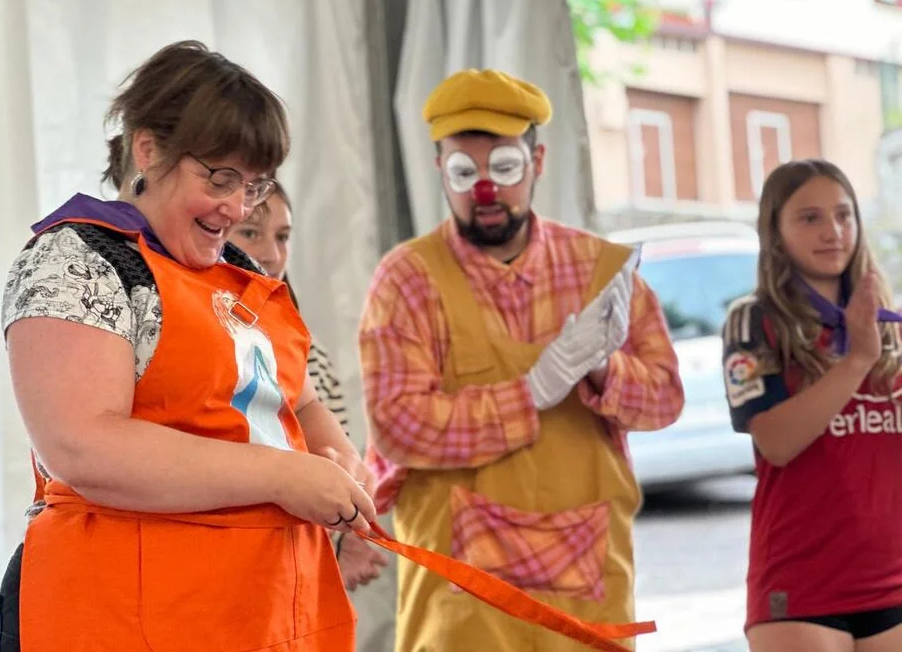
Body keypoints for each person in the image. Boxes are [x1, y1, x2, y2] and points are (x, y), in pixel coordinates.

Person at [0, 40, 376, 652]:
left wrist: (340, 460)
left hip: (262, 609)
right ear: (149, 149)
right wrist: (283, 474)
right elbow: (83, 445)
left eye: (254, 186)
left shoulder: (241, 269)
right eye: (220, 179)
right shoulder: (79, 261)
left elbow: (298, 402)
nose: (237, 207)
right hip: (126, 614)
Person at [357, 69, 685, 652]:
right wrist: (529, 394)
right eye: (465, 172)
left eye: (505, 167)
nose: (485, 190)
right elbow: (398, 424)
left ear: (537, 161)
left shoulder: (602, 272)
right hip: (460, 602)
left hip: (586, 594)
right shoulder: (407, 279)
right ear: (440, 170)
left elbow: (665, 398)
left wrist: (604, 371)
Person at [721, 159, 902, 652]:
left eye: (844, 215)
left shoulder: (889, 323)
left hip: (891, 579)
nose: (833, 231)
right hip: (800, 584)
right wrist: (858, 360)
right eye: (810, 218)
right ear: (775, 234)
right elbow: (775, 442)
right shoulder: (752, 320)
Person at [231, 184, 390, 591]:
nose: (271, 254)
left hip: (292, 568)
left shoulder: (304, 347)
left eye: (283, 236)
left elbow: (332, 459)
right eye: (250, 232)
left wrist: (342, 537)